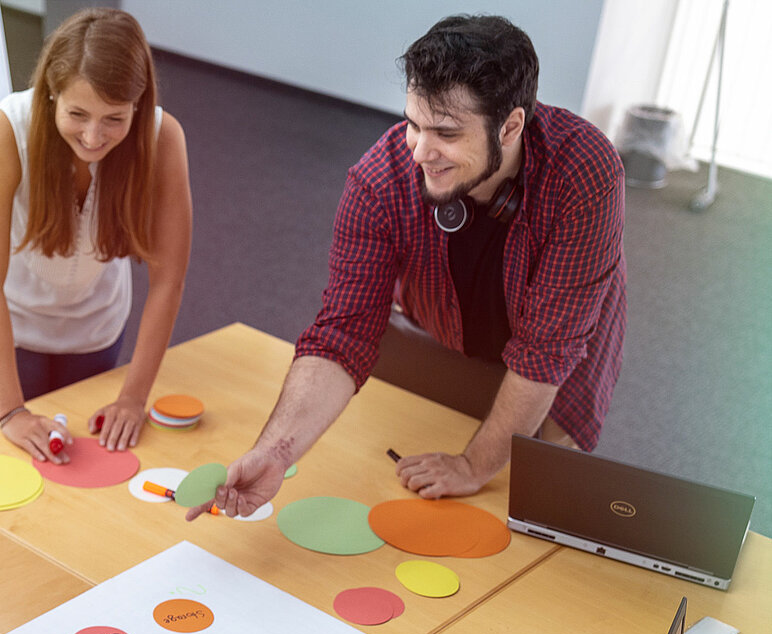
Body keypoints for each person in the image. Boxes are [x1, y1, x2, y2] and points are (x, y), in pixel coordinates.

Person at [189, 15, 625, 520]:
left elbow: (546, 352)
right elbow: (340, 336)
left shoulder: (585, 172)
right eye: (414, 124)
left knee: (528, 505)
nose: (420, 151)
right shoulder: (381, 180)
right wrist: (274, 453)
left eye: (446, 133)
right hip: (438, 327)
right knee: (410, 469)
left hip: (556, 356)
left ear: (510, 127)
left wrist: (473, 465)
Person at [0, 7, 192, 464]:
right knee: (6, 467)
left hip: (96, 326)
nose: (92, 136)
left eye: (114, 118)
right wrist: (10, 412)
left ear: (138, 104)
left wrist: (133, 397)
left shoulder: (161, 137)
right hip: (11, 321)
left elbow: (168, 281)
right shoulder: (8, 130)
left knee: (85, 470)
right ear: (52, 94)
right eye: (78, 113)